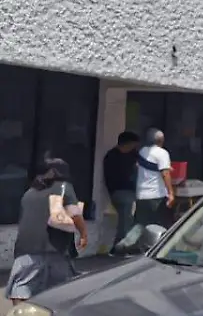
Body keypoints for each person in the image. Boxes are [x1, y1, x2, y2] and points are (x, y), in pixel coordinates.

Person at [5, 158, 88, 305]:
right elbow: (74, 213)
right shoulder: (63, 187)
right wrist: (83, 234)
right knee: (63, 288)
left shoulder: (29, 193)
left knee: (22, 286)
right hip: (56, 247)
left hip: (27, 247)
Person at [102, 131, 140, 251]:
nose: (133, 148)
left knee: (129, 219)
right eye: (132, 145)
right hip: (120, 192)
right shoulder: (113, 156)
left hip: (131, 192)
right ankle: (121, 246)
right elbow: (116, 178)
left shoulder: (133, 155)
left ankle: (127, 244)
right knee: (125, 219)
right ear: (126, 144)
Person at [135, 128, 175, 229]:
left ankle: (126, 243)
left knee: (140, 226)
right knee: (157, 227)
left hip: (141, 196)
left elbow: (147, 166)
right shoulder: (162, 153)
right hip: (156, 197)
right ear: (161, 140)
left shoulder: (142, 151)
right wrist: (171, 193)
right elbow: (165, 173)